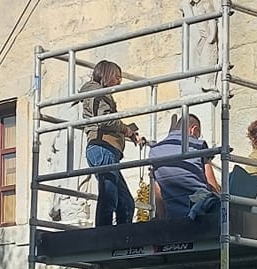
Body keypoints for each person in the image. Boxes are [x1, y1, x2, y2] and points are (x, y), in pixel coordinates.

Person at [80, 59, 138, 228]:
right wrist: (125, 129)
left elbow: (106, 120)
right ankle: (104, 235)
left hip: (105, 148)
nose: (119, 81)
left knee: (126, 202)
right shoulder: (98, 92)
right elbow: (104, 120)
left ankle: (121, 235)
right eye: (117, 77)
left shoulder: (97, 92)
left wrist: (127, 132)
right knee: (109, 196)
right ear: (107, 74)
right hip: (103, 146)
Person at [148, 111, 221, 222]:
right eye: (198, 134)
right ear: (193, 129)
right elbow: (212, 185)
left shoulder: (154, 151)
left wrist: (163, 220)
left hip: (173, 216)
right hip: (200, 212)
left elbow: (158, 191)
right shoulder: (198, 146)